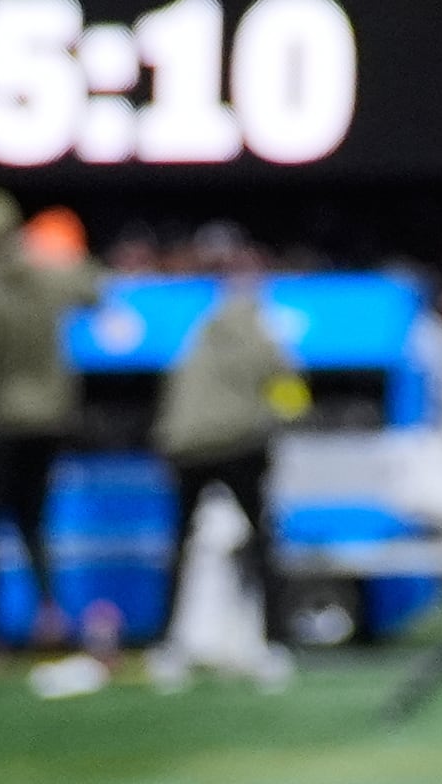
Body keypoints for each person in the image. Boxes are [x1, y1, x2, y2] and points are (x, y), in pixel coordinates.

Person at [0, 191, 99, 652]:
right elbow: (93, 286)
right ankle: (50, 618)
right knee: (33, 524)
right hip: (48, 419)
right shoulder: (48, 275)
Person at [148, 229, 301, 688]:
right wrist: (288, 417)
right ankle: (274, 643)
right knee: (262, 543)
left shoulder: (202, 333)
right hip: (237, 443)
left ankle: (170, 648)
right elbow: (288, 390)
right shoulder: (258, 329)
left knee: (181, 543)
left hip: (185, 446)